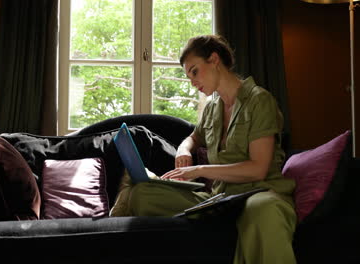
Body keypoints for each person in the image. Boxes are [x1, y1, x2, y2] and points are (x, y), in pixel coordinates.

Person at [109, 34, 297, 264]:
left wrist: (199, 170)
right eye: (189, 76)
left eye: (195, 71)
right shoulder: (213, 107)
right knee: (142, 194)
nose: (193, 82)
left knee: (263, 210)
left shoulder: (259, 101)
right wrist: (183, 150)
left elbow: (257, 169)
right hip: (219, 199)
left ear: (214, 59)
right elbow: (193, 137)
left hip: (257, 193)